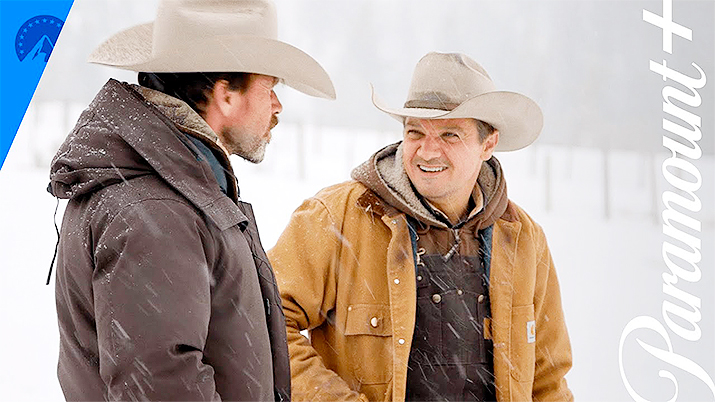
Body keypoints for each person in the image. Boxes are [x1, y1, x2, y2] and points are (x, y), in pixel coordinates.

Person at [47, 0, 334, 400]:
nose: (277, 106)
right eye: (270, 88)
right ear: (226, 95)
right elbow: (163, 385)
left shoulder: (168, 190)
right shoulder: (157, 212)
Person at [268, 52, 573, 402]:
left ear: (488, 143)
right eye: (415, 132)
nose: (428, 152)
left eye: (450, 134)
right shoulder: (335, 217)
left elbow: (548, 379)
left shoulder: (523, 239)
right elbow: (268, 321)